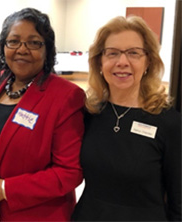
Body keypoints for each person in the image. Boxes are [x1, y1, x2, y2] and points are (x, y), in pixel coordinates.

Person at [0, 7, 85, 221]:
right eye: (14, 41)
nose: (22, 49)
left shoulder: (66, 96)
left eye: (34, 42)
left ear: (47, 50)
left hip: (33, 214)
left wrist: (5, 189)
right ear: (3, 46)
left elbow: (69, 172)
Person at [71, 16, 181, 221]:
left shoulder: (169, 123)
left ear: (148, 61)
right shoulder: (88, 113)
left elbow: (179, 200)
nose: (122, 62)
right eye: (112, 53)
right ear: (100, 62)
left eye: (133, 53)